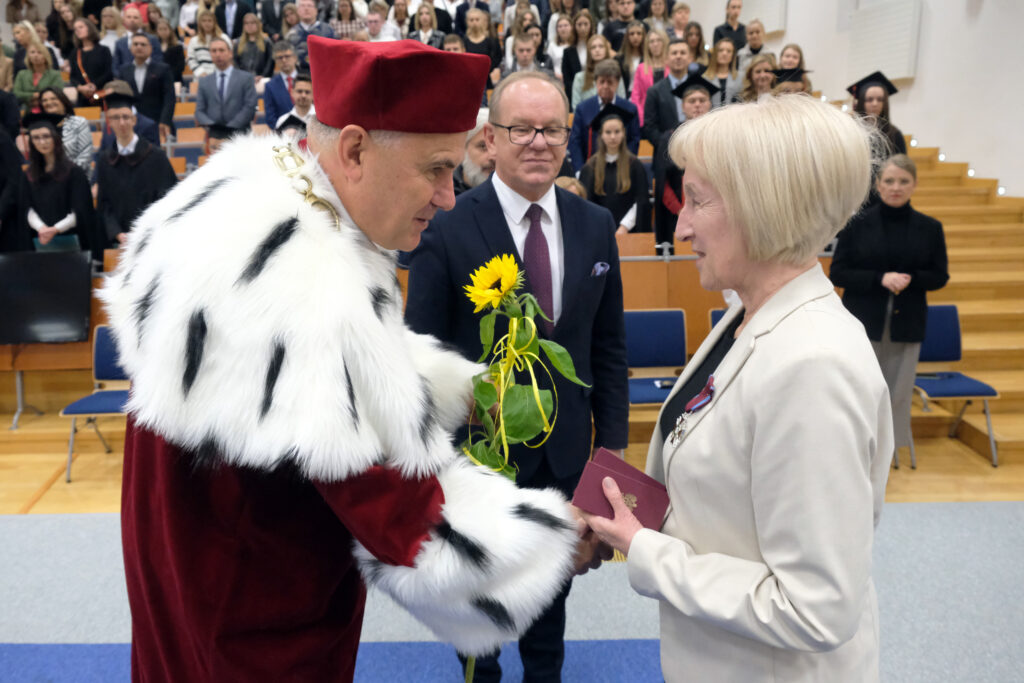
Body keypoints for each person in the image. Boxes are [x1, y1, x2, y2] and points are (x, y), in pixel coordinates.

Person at [102, 37, 593, 682]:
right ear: (356, 149)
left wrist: (458, 387)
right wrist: (555, 537)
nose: (449, 196)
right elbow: (404, 522)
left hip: (186, 563)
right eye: (437, 169)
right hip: (253, 613)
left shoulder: (256, 202)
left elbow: (335, 373)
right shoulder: (305, 287)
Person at [581, 93, 894, 683]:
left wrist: (648, 551)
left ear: (763, 208)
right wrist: (626, 519)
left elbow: (815, 608)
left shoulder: (813, 365)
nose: (681, 223)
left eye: (697, 200)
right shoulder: (746, 314)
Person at [406, 69, 628, 683]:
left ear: (569, 138)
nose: (538, 142)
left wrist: (609, 454)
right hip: (479, 459)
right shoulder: (447, 227)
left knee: (551, 603)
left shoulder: (595, 226)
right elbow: (420, 349)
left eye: (552, 129)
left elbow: (607, 349)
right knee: (477, 613)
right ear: (491, 139)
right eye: (522, 129)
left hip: (564, 457)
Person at [830, 153, 947, 464]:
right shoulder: (857, 225)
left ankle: (891, 454)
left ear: (914, 186)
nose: (896, 187)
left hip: (906, 321)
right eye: (890, 181)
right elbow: (838, 273)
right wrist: (881, 278)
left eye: (903, 181)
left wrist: (911, 279)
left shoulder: (930, 228)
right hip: (862, 321)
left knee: (898, 392)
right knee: (860, 389)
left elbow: (940, 276)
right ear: (878, 185)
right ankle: (855, 451)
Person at [95, 91, 177, 249]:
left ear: (134, 120)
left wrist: (142, 231)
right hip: (119, 242)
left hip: (152, 239)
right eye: (115, 118)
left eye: (126, 117)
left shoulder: (156, 157)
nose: (122, 123)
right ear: (109, 123)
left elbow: (166, 199)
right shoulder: (106, 161)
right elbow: (104, 206)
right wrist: (117, 233)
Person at [17, 112, 96, 256]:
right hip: (40, 241)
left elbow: (81, 210)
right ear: (32, 142)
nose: (42, 142)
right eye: (36, 138)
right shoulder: (28, 175)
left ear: (55, 138)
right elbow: (26, 208)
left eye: (46, 136)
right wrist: (42, 228)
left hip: (72, 241)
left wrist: (55, 229)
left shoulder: (74, 173)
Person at [651, 73, 714, 249]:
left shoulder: (719, 137)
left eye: (702, 100)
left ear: (710, 104)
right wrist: (681, 210)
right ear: (683, 106)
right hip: (677, 215)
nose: (697, 105)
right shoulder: (671, 139)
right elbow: (663, 183)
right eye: (692, 101)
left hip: (714, 215)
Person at [579, 107, 649, 234]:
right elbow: (586, 203)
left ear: (623, 133)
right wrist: (602, 227)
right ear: (601, 135)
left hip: (629, 233)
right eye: (608, 132)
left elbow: (641, 201)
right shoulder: (590, 167)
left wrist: (624, 227)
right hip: (599, 231)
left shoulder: (634, 165)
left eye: (617, 132)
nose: (613, 137)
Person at [568, 59, 639, 171]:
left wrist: (626, 165)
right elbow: (575, 142)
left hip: (621, 169)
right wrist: (580, 171)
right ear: (596, 82)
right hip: (590, 169)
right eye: (602, 82)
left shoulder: (629, 109)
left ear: (617, 83)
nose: (605, 86)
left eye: (610, 82)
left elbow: (634, 140)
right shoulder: (583, 109)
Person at [195, 36, 258, 135]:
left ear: (230, 53)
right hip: (214, 135)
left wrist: (231, 127)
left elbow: (250, 106)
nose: (218, 54)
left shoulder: (246, 78)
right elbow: (199, 111)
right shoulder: (204, 81)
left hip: (240, 134)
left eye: (221, 50)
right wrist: (214, 127)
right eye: (214, 51)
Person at [119, 32, 175, 142]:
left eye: (143, 44)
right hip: (131, 125)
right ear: (130, 48)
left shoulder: (163, 69)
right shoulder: (124, 70)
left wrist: (165, 121)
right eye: (135, 44)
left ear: (151, 48)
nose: (139, 47)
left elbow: (169, 98)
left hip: (157, 123)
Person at [641, 37, 689, 145]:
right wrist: (667, 142)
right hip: (665, 152)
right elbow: (649, 128)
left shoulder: (699, 87)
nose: (678, 56)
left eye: (683, 53)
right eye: (674, 53)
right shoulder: (654, 91)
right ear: (666, 59)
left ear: (689, 58)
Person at [849, 70, 907, 157]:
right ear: (862, 102)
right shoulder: (851, 130)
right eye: (869, 99)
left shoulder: (894, 135)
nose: (875, 104)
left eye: (880, 99)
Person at [38, 87, 93, 175]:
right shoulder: (40, 127)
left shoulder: (79, 123)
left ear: (63, 100)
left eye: (53, 98)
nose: (49, 102)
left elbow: (85, 156)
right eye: (44, 100)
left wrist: (67, 176)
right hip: (48, 178)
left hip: (76, 176)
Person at [98, 79, 162, 149]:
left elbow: (154, 156)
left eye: (114, 98)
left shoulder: (147, 125)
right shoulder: (109, 125)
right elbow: (102, 153)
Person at [570, 34, 624, 110]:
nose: (597, 50)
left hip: (612, 118)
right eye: (593, 47)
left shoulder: (616, 75)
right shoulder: (579, 77)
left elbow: (622, 102)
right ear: (589, 52)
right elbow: (576, 106)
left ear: (606, 49)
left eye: (601, 46)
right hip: (587, 119)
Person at [453, 108, 495, 195]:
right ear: (463, 148)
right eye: (483, 146)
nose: (492, 156)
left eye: (499, 147)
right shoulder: (443, 197)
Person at [629, 27, 667, 125]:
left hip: (668, 117)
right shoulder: (641, 68)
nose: (655, 44)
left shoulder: (671, 67)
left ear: (664, 42)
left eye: (658, 40)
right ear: (647, 46)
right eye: (651, 41)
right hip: (648, 118)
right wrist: (642, 118)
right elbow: (636, 97)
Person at [13, 43, 63, 113]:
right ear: (28, 56)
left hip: (50, 110)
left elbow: (57, 92)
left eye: (39, 52)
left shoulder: (55, 74)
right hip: (27, 110)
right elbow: (16, 93)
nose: (35, 55)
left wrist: (34, 96)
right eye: (32, 52)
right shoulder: (22, 74)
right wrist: (34, 95)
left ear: (46, 56)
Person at [112, 6, 163, 73]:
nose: (132, 20)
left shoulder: (153, 39)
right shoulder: (120, 43)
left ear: (141, 20)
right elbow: (116, 66)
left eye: (135, 17)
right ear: (124, 20)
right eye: (129, 17)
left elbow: (158, 61)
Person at [287, 0, 335, 67]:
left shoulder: (328, 30)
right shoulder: (291, 33)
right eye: (302, 6)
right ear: (298, 11)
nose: (306, 9)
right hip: (300, 74)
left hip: (324, 71)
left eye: (309, 6)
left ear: (316, 10)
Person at [263, 41, 298, 132]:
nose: (284, 60)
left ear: (295, 58)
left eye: (287, 56)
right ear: (275, 61)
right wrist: (284, 131)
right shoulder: (270, 86)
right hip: (283, 134)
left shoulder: (308, 79)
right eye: (280, 58)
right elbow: (270, 117)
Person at [559, 9, 593, 102]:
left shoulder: (596, 47)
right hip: (576, 94)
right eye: (579, 24)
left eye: (586, 24)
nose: (583, 28)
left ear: (591, 25)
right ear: (574, 26)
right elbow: (567, 79)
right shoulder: (568, 52)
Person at [464, 7, 502, 86]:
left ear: (482, 21)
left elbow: (497, 57)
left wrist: (487, 70)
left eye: (477, 19)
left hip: (486, 78)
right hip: (468, 78)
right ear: (467, 22)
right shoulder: (464, 41)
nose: (474, 22)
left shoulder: (491, 40)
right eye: (471, 20)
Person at [187, 10, 231, 78]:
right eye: (204, 21)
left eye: (209, 20)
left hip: (221, 76)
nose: (207, 23)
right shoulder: (193, 41)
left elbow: (230, 57)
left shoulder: (224, 38)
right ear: (200, 23)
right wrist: (201, 73)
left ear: (214, 22)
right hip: (200, 78)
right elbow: (191, 59)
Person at [235, 12, 275, 77]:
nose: (249, 26)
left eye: (252, 23)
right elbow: (235, 62)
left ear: (258, 24)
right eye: (246, 23)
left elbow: (270, 62)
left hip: (262, 78)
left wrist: (263, 75)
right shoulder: (238, 43)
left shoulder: (266, 42)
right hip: (243, 78)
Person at [703, 38, 740, 107]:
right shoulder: (705, 78)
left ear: (733, 55)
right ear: (715, 53)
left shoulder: (740, 77)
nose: (724, 53)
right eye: (720, 50)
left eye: (729, 51)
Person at [615, 20, 645, 94]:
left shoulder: (649, 57)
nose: (635, 37)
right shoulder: (619, 59)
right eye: (632, 34)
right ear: (627, 37)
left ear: (643, 36)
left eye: (639, 33)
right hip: (626, 94)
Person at [155, 19, 185, 84]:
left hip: (174, 80)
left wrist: (168, 77)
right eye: (160, 29)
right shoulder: (154, 47)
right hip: (157, 80)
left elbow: (180, 66)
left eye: (165, 29)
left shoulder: (178, 47)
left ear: (170, 30)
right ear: (157, 31)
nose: (163, 31)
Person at [546, 15, 573, 80]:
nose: (563, 29)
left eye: (566, 25)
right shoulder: (552, 45)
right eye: (560, 26)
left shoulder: (575, 44)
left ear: (572, 27)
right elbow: (548, 64)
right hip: (556, 78)